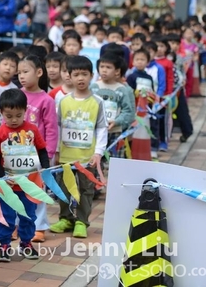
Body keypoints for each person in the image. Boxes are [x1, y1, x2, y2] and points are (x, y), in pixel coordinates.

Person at [50, 56, 106, 239]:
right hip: (65, 156)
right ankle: (66, 218)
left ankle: (82, 221)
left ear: (91, 75)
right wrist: (56, 150)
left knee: (86, 189)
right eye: (76, 74)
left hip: (87, 157)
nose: (80, 78)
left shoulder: (97, 102)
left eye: (84, 74)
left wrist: (98, 153)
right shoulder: (63, 101)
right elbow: (57, 126)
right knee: (64, 187)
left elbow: (101, 127)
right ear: (69, 77)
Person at [0, 89, 49, 261]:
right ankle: (4, 245)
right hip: (7, 186)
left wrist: (45, 167)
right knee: (7, 216)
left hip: (29, 185)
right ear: (1, 113)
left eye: (18, 115)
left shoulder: (32, 130)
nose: (14, 120)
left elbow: (42, 150)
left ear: (26, 111)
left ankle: (26, 243)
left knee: (28, 216)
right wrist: (2, 177)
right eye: (9, 116)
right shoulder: (0, 132)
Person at [18, 55, 58, 242]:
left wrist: (48, 154)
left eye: (25, 72)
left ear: (39, 72)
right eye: (19, 73)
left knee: (37, 190)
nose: (21, 76)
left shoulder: (46, 100)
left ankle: (39, 226)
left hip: (37, 155)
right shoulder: (17, 95)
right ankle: (18, 224)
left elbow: (51, 128)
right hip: (15, 153)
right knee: (16, 189)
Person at [91, 54, 135, 158]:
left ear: (117, 71)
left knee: (116, 160)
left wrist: (116, 121)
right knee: (97, 159)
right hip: (96, 131)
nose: (104, 70)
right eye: (102, 67)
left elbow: (127, 111)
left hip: (115, 131)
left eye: (108, 67)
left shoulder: (121, 89)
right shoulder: (94, 87)